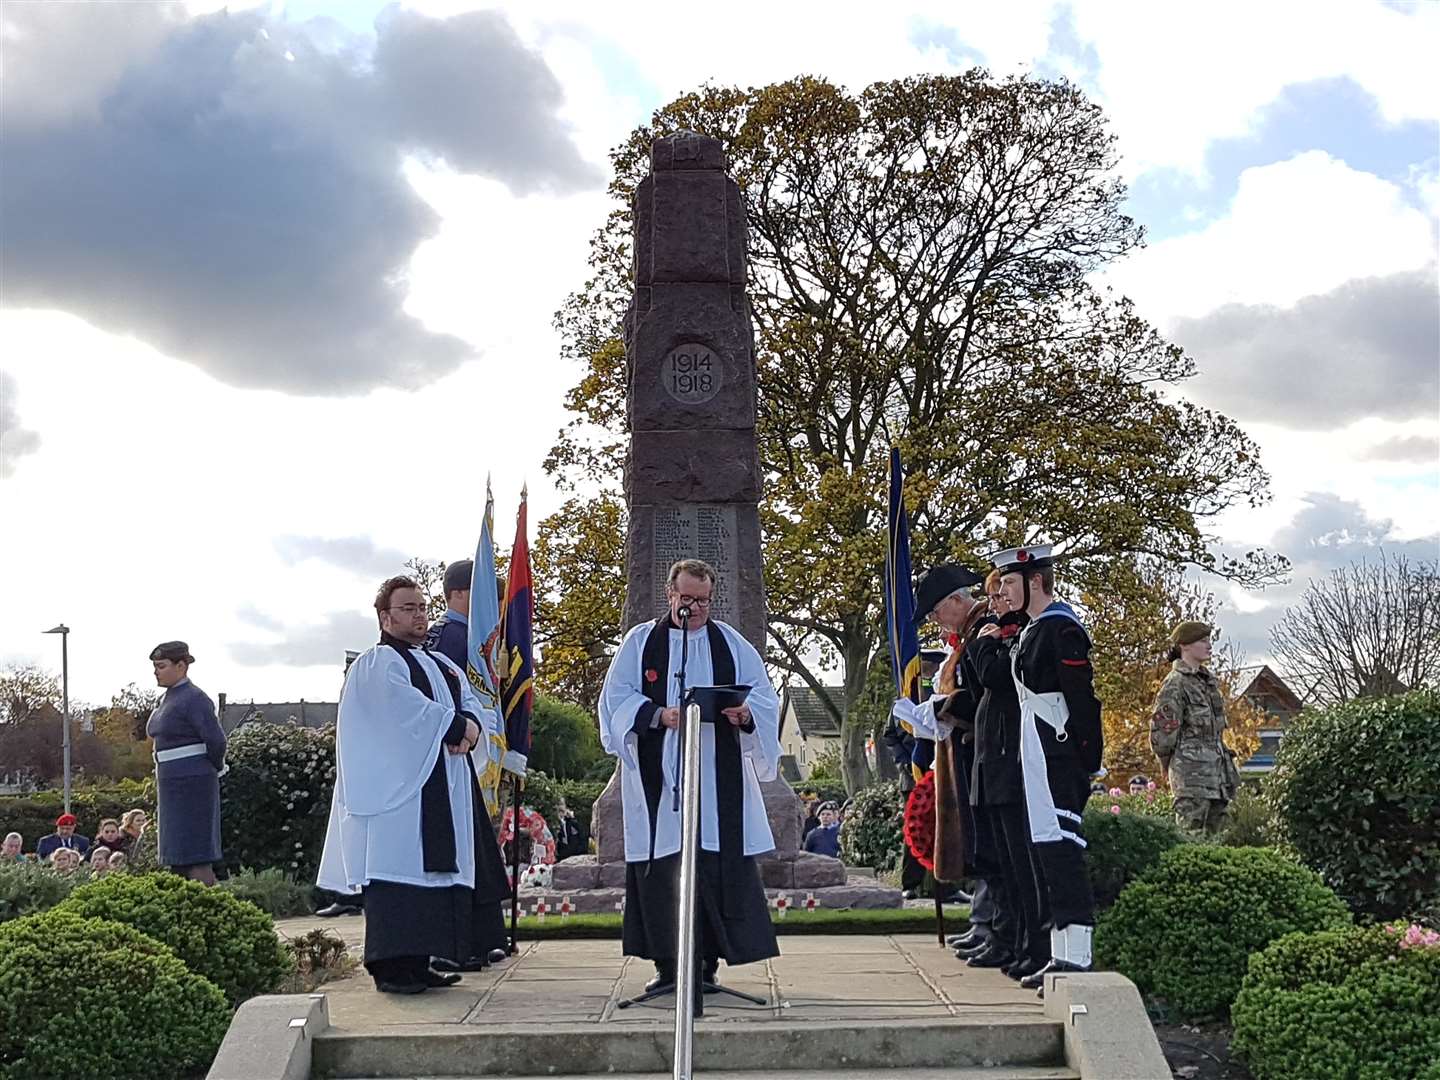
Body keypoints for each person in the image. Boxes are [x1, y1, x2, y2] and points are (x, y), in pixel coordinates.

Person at [317, 575, 511, 995]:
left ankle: (420, 963)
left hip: (441, 783)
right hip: (399, 798)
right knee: (398, 872)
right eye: (408, 608)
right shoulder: (377, 663)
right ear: (385, 617)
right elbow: (402, 711)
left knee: (434, 875)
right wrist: (455, 726)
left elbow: (474, 706)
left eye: (422, 606)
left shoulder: (440, 663)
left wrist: (471, 728)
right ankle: (391, 969)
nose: (419, 614)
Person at [598, 558, 782, 993]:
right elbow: (616, 698)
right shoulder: (641, 642)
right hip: (660, 777)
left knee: (714, 868)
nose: (694, 608)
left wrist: (747, 715)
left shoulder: (732, 645)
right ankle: (668, 966)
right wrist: (659, 714)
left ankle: (706, 965)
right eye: (686, 598)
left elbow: (765, 697)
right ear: (670, 594)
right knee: (664, 868)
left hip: (717, 778)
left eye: (702, 600)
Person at [988, 546, 1101, 995]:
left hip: (1057, 752)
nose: (1003, 592)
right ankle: (1060, 951)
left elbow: (1081, 699)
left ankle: (1078, 952)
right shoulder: (1032, 630)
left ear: (1036, 581)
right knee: (1044, 850)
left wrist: (1086, 759)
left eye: (1010, 583)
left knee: (1063, 850)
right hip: (1034, 749)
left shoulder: (1061, 629)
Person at [962, 568, 1050, 981]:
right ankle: (1014, 941)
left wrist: (981, 649)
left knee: (1023, 867)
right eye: (994, 596)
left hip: (1013, 763)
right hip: (991, 761)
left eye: (1002, 594)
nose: (995, 604)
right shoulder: (1002, 636)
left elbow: (996, 679)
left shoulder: (1023, 636)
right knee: (1002, 864)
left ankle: (1031, 945)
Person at [147, 641, 226, 885]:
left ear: (181, 666)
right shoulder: (167, 698)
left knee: (196, 856)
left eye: (161, 666)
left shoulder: (195, 698)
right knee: (178, 856)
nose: (156, 671)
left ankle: (214, 911)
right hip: (172, 784)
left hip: (193, 784)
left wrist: (210, 768)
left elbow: (216, 741)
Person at [1150, 621, 1240, 835]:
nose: (1209, 646)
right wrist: (1166, 765)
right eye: (1202, 641)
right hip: (1191, 777)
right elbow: (1163, 733)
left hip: (1218, 777)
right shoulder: (1175, 683)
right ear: (1184, 645)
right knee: (1190, 837)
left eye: (1209, 641)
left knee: (1219, 840)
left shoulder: (1207, 682)